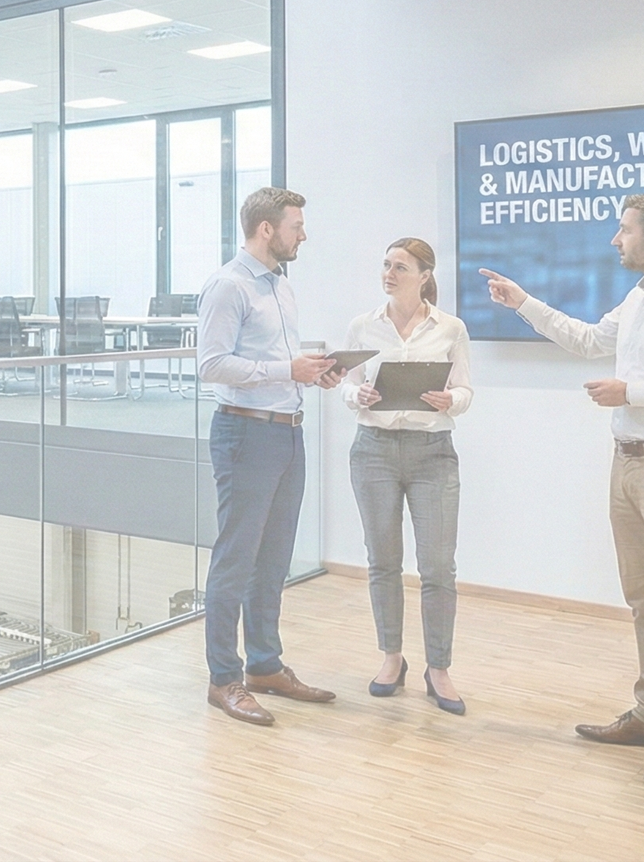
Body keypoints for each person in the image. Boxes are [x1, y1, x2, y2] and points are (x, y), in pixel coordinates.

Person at [481, 193, 644, 791]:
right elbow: (586, 340)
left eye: (624, 230)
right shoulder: (641, 297)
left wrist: (636, 393)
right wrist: (524, 303)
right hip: (630, 464)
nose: (614, 239)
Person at [195, 186, 342, 726]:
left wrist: (314, 371)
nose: (302, 234)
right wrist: (287, 370)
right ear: (266, 229)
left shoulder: (280, 285)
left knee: (274, 558)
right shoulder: (228, 286)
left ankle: (264, 666)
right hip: (244, 435)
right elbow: (211, 365)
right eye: (295, 226)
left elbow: (274, 361)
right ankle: (223, 679)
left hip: (286, 432)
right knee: (235, 560)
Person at [336, 238, 472, 714]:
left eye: (400, 267)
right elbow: (347, 385)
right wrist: (359, 397)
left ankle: (439, 668)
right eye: (386, 265)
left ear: (424, 275)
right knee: (383, 562)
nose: (389, 274)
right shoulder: (362, 326)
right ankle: (392, 658)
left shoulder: (450, 327)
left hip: (433, 452)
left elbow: (465, 390)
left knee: (437, 567)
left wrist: (449, 400)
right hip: (372, 451)